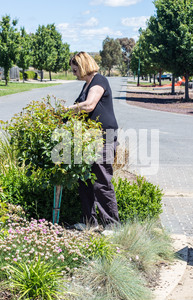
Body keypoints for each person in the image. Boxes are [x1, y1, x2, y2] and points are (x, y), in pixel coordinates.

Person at [66, 51, 120, 231]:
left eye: (75, 70)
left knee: (101, 182)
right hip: (88, 140)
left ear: (82, 66)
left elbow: (89, 106)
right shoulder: (87, 85)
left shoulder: (99, 81)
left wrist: (66, 110)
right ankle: (90, 223)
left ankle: (112, 227)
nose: (74, 74)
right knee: (85, 181)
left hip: (103, 137)